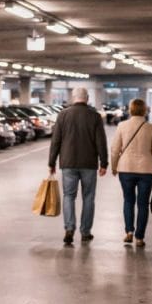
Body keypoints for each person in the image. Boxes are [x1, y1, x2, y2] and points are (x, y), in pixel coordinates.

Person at [48, 87, 108, 246]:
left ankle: (69, 228)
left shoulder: (63, 115)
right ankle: (85, 232)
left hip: (68, 163)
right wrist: (104, 162)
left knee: (69, 196)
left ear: (73, 98)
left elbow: (56, 141)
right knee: (88, 197)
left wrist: (51, 162)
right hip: (89, 163)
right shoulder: (94, 116)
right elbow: (101, 141)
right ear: (87, 98)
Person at [110, 98, 152, 248]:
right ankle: (139, 237)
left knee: (128, 201)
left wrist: (114, 166)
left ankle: (129, 232)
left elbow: (115, 149)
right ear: (144, 110)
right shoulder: (150, 128)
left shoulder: (122, 125)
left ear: (130, 109)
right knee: (143, 204)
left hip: (126, 169)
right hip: (146, 170)